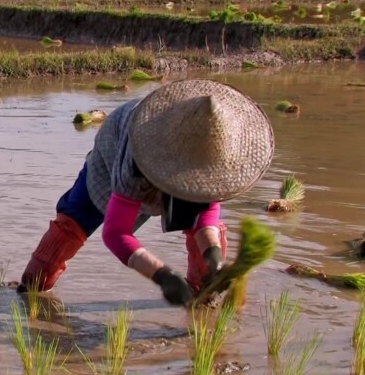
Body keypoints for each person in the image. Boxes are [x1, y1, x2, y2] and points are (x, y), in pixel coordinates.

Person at [17, 79, 275, 306]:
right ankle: (31, 290)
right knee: (75, 220)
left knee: (206, 246)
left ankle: (201, 298)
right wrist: (162, 275)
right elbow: (116, 233)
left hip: (181, 150)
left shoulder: (214, 154)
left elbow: (205, 218)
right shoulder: (137, 159)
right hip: (115, 152)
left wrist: (214, 256)